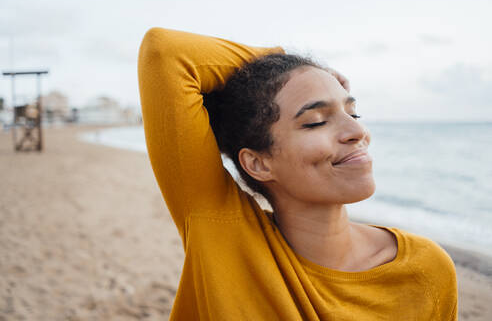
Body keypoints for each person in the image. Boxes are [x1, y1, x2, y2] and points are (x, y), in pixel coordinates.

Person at [138, 27, 458, 320]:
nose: (357, 130)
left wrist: (304, 74)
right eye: (316, 120)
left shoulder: (426, 269)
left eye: (352, 112)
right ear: (258, 164)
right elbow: (166, 52)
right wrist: (289, 64)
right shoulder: (224, 234)